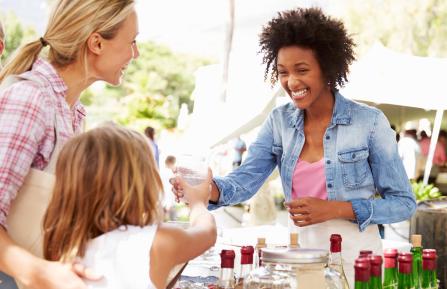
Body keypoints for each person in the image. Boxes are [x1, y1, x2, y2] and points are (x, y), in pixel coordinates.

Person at [172, 7, 416, 286]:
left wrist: (336, 208)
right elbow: (245, 180)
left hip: (356, 263)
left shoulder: (369, 123)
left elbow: (403, 203)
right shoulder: (279, 122)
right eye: (283, 72)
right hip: (297, 263)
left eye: (302, 70)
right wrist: (207, 189)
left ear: (327, 69)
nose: (291, 81)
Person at [0, 1, 139, 288]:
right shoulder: (31, 99)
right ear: (96, 43)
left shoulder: (73, 112)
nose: (135, 54)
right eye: (132, 42)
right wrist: (40, 273)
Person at [43, 125, 216, 289]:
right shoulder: (156, 242)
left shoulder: (59, 250)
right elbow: (207, 233)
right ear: (141, 184)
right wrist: (197, 202)